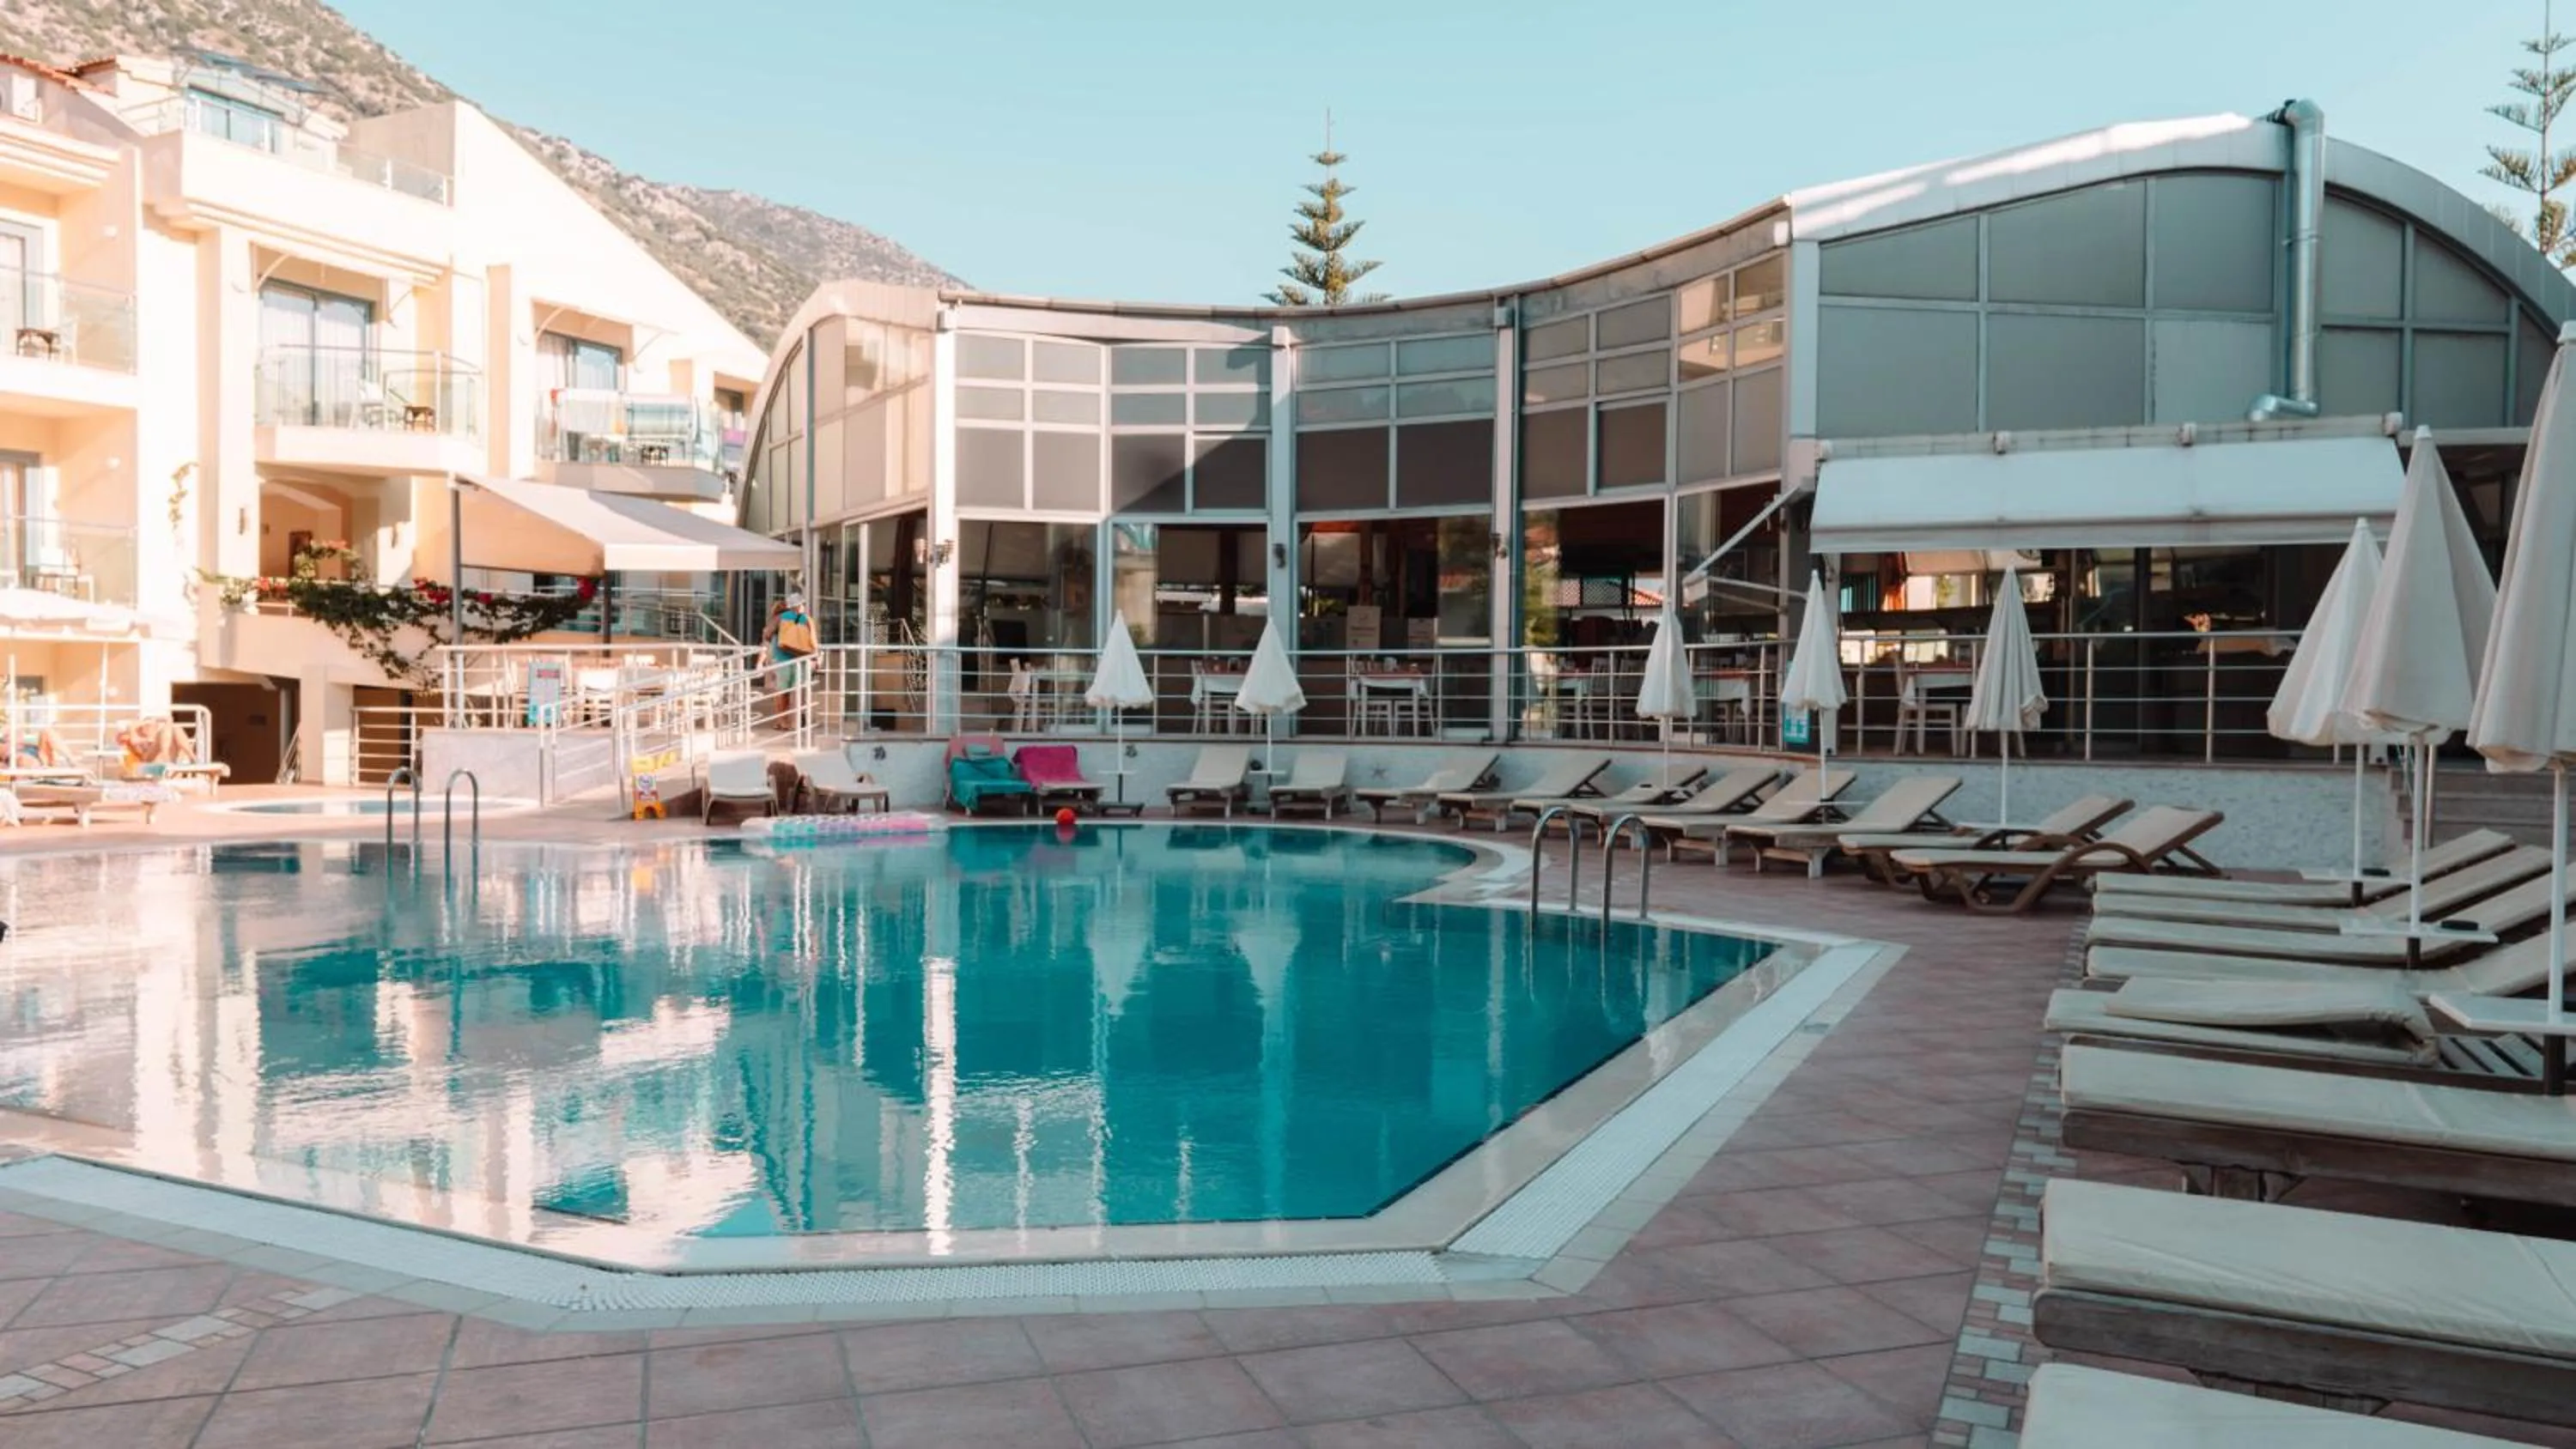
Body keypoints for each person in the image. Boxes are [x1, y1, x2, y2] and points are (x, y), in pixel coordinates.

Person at [762, 591, 817, 731]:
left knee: (783, 692)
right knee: (800, 692)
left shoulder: (780, 618)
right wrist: (815, 658)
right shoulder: (807, 619)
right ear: (801, 604)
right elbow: (814, 642)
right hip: (802, 659)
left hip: (783, 659)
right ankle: (797, 721)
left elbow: (767, 634)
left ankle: (783, 721)